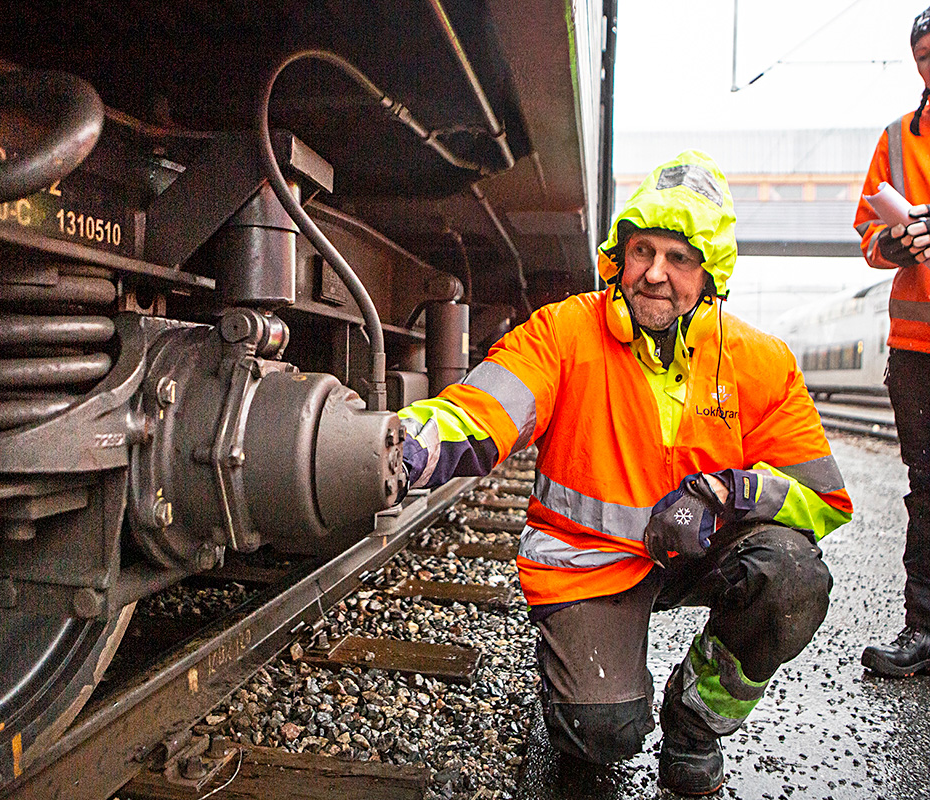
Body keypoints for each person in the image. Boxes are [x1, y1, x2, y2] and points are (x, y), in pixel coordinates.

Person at [399, 150, 853, 795]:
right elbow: (484, 408)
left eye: (680, 258)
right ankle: (585, 689)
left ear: (711, 272)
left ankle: (695, 725)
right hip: (593, 560)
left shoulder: (760, 361)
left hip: (701, 552)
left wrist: (729, 494)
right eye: (641, 252)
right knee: (601, 736)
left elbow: (825, 500)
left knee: (794, 576)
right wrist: (408, 446)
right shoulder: (566, 330)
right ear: (620, 256)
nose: (655, 275)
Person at [854, 6, 930, 679]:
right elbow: (867, 237)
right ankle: (924, 629)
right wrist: (893, 240)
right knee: (927, 490)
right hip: (918, 348)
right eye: (927, 53)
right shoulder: (897, 141)